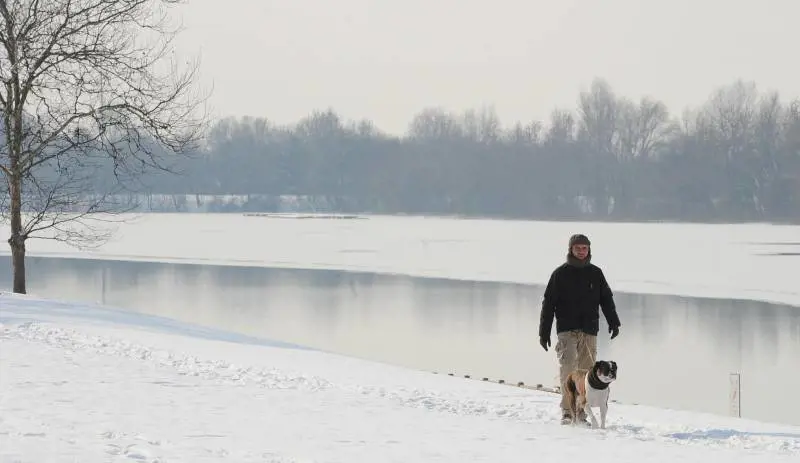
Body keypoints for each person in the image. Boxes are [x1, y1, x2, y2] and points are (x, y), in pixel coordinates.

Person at [538, 233, 621, 425]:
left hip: (589, 329)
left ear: (589, 250)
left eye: (585, 248)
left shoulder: (596, 273)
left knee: (585, 373)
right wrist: (544, 332)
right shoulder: (560, 274)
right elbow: (548, 304)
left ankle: (582, 412)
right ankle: (567, 412)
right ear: (571, 250)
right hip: (567, 329)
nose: (581, 251)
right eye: (578, 248)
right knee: (568, 369)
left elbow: (606, 299)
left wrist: (614, 321)